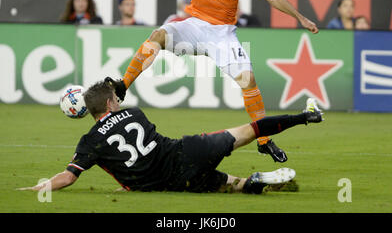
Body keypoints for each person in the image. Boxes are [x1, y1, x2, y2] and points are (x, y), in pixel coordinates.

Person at [110, 0, 319, 164]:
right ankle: (123, 85)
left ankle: (263, 141)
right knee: (158, 35)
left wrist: (301, 18)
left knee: (247, 80)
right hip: (195, 27)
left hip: (223, 35)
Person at [17, 79, 324, 194]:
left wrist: (41, 186)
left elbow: (69, 177)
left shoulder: (90, 142)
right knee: (251, 130)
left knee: (233, 186)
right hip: (186, 152)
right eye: (115, 98)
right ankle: (306, 116)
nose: (119, 101)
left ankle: (254, 182)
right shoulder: (134, 112)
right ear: (110, 103)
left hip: (170, 184)